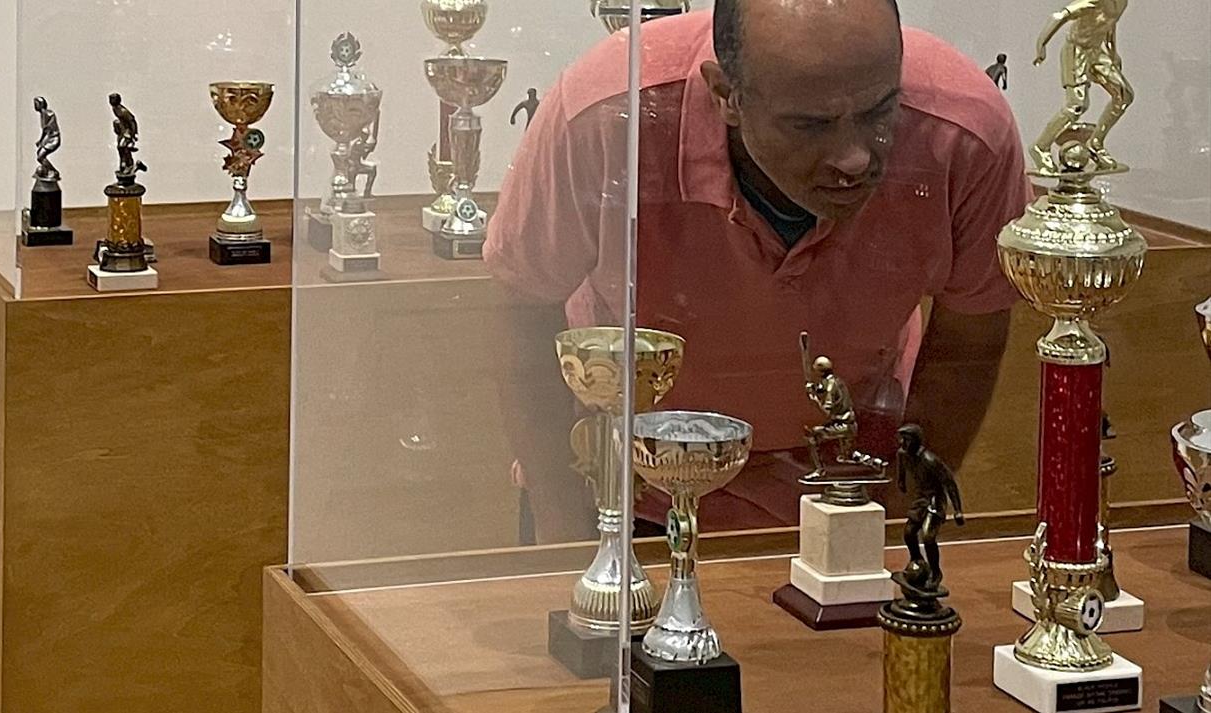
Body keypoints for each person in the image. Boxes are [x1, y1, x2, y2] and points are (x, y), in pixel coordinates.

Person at [484, 0, 1029, 542]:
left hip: (847, 495)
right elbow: (524, 310)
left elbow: (969, 340)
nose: (855, 158)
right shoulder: (606, 113)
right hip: (624, 492)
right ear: (726, 95)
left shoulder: (965, 128)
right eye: (810, 124)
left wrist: (898, 530)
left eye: (879, 112)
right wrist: (564, 538)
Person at [1031, 0, 1133, 172]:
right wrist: (1041, 45)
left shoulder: (1122, 2)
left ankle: (1095, 142)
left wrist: (1112, 52)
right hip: (1076, 50)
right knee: (1077, 105)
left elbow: (1109, 24)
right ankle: (1040, 147)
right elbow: (1059, 16)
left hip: (1097, 52)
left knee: (1124, 96)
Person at [897, 424, 965, 590]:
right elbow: (901, 469)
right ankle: (917, 561)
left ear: (915, 441)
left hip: (935, 500)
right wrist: (901, 481)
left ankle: (935, 572)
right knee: (909, 533)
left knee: (928, 536)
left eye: (905, 440)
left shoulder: (930, 461)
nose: (902, 443)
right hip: (921, 499)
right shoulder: (903, 454)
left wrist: (957, 510)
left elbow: (949, 483)